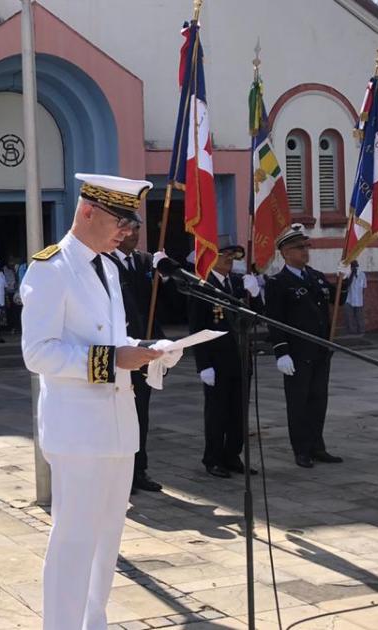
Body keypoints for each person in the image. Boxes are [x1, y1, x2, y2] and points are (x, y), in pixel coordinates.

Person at [20, 173, 182, 630]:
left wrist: (148, 349)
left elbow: (111, 339)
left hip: (117, 426)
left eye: (130, 224)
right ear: (87, 211)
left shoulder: (109, 268)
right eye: (119, 220)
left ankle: (94, 623)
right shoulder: (51, 268)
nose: (126, 232)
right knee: (74, 540)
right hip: (77, 430)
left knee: (107, 539)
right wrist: (114, 360)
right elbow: (38, 353)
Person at [264, 224, 347, 468]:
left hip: (320, 349)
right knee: (298, 403)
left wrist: (347, 277)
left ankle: (317, 446)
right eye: (298, 248)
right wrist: (281, 351)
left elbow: (338, 298)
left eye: (306, 247)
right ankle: (301, 449)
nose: (304, 251)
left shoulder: (317, 277)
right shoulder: (278, 282)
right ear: (285, 252)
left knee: (318, 400)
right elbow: (274, 320)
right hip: (297, 353)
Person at [188, 242, 262, 479]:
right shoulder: (203, 286)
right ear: (211, 257)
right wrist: (203, 365)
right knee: (217, 412)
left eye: (232, 256)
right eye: (224, 255)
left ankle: (233, 455)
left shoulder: (239, 283)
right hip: (216, 361)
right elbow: (196, 327)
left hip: (240, 357)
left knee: (238, 413)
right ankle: (213, 458)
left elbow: (257, 317)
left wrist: (256, 294)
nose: (230, 259)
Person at [103, 225, 163, 492]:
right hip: (120, 351)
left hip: (145, 348)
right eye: (129, 230)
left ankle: (139, 471)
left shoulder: (144, 261)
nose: (135, 235)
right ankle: (119, 475)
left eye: (138, 230)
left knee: (141, 415)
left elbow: (158, 306)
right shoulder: (104, 261)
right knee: (118, 417)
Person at [342, 259, 367, 336]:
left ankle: (361, 331)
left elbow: (364, 287)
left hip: (359, 300)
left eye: (356, 266)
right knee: (349, 317)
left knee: (359, 317)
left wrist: (362, 297)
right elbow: (346, 285)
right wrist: (352, 275)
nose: (354, 268)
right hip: (348, 299)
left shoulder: (362, 274)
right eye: (353, 266)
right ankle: (351, 332)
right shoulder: (347, 274)